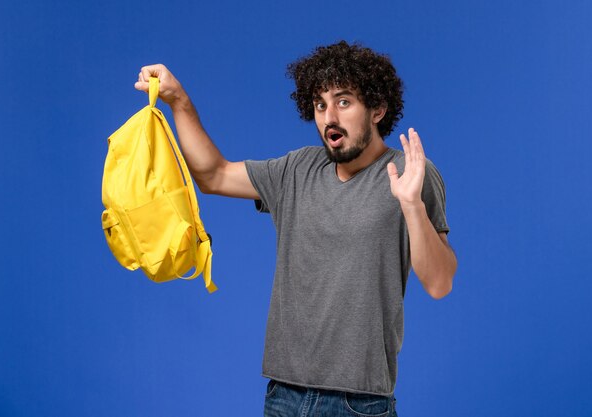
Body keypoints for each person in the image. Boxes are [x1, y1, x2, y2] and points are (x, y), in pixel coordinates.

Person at [135, 41, 457, 417]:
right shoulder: (297, 169)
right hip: (283, 396)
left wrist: (412, 206)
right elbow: (213, 175)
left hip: (358, 403)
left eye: (344, 101)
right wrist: (179, 101)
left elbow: (439, 283)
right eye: (320, 105)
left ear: (377, 110)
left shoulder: (411, 174)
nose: (328, 117)